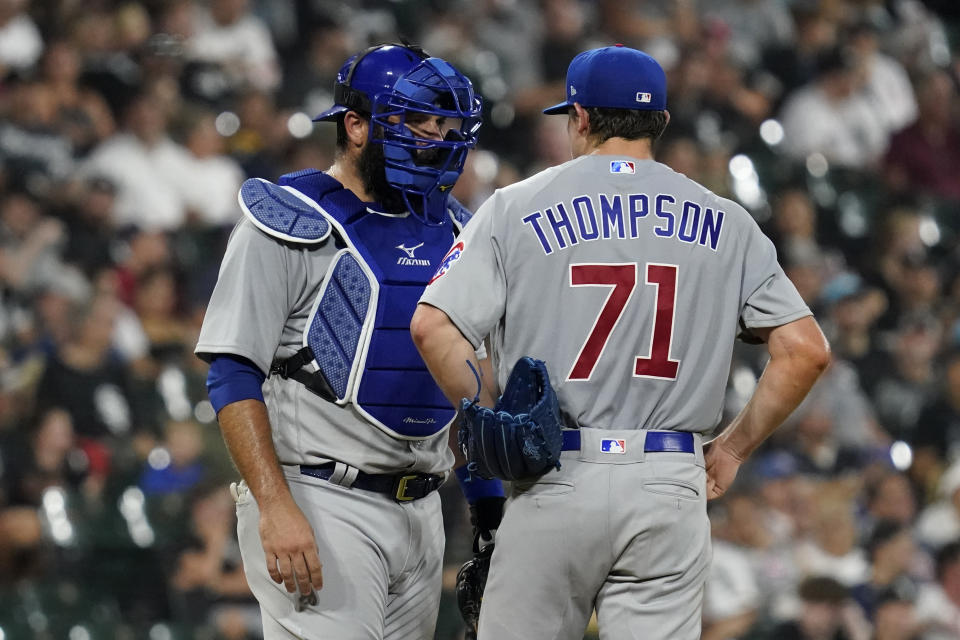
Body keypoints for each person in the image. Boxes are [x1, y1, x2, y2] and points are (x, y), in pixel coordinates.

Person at [412, 44, 830, 640]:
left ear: (579, 117)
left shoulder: (515, 205)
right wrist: (732, 450)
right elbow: (806, 350)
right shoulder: (728, 219)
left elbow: (432, 326)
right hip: (669, 478)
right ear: (660, 121)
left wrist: (494, 411)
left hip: (557, 469)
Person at [195, 43, 488, 639]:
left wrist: (486, 510)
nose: (435, 135)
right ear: (356, 125)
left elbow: (469, 389)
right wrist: (276, 507)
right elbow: (231, 373)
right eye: (415, 120)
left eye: (443, 121)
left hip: (424, 507)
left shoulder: (455, 226)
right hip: (322, 497)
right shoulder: (288, 219)